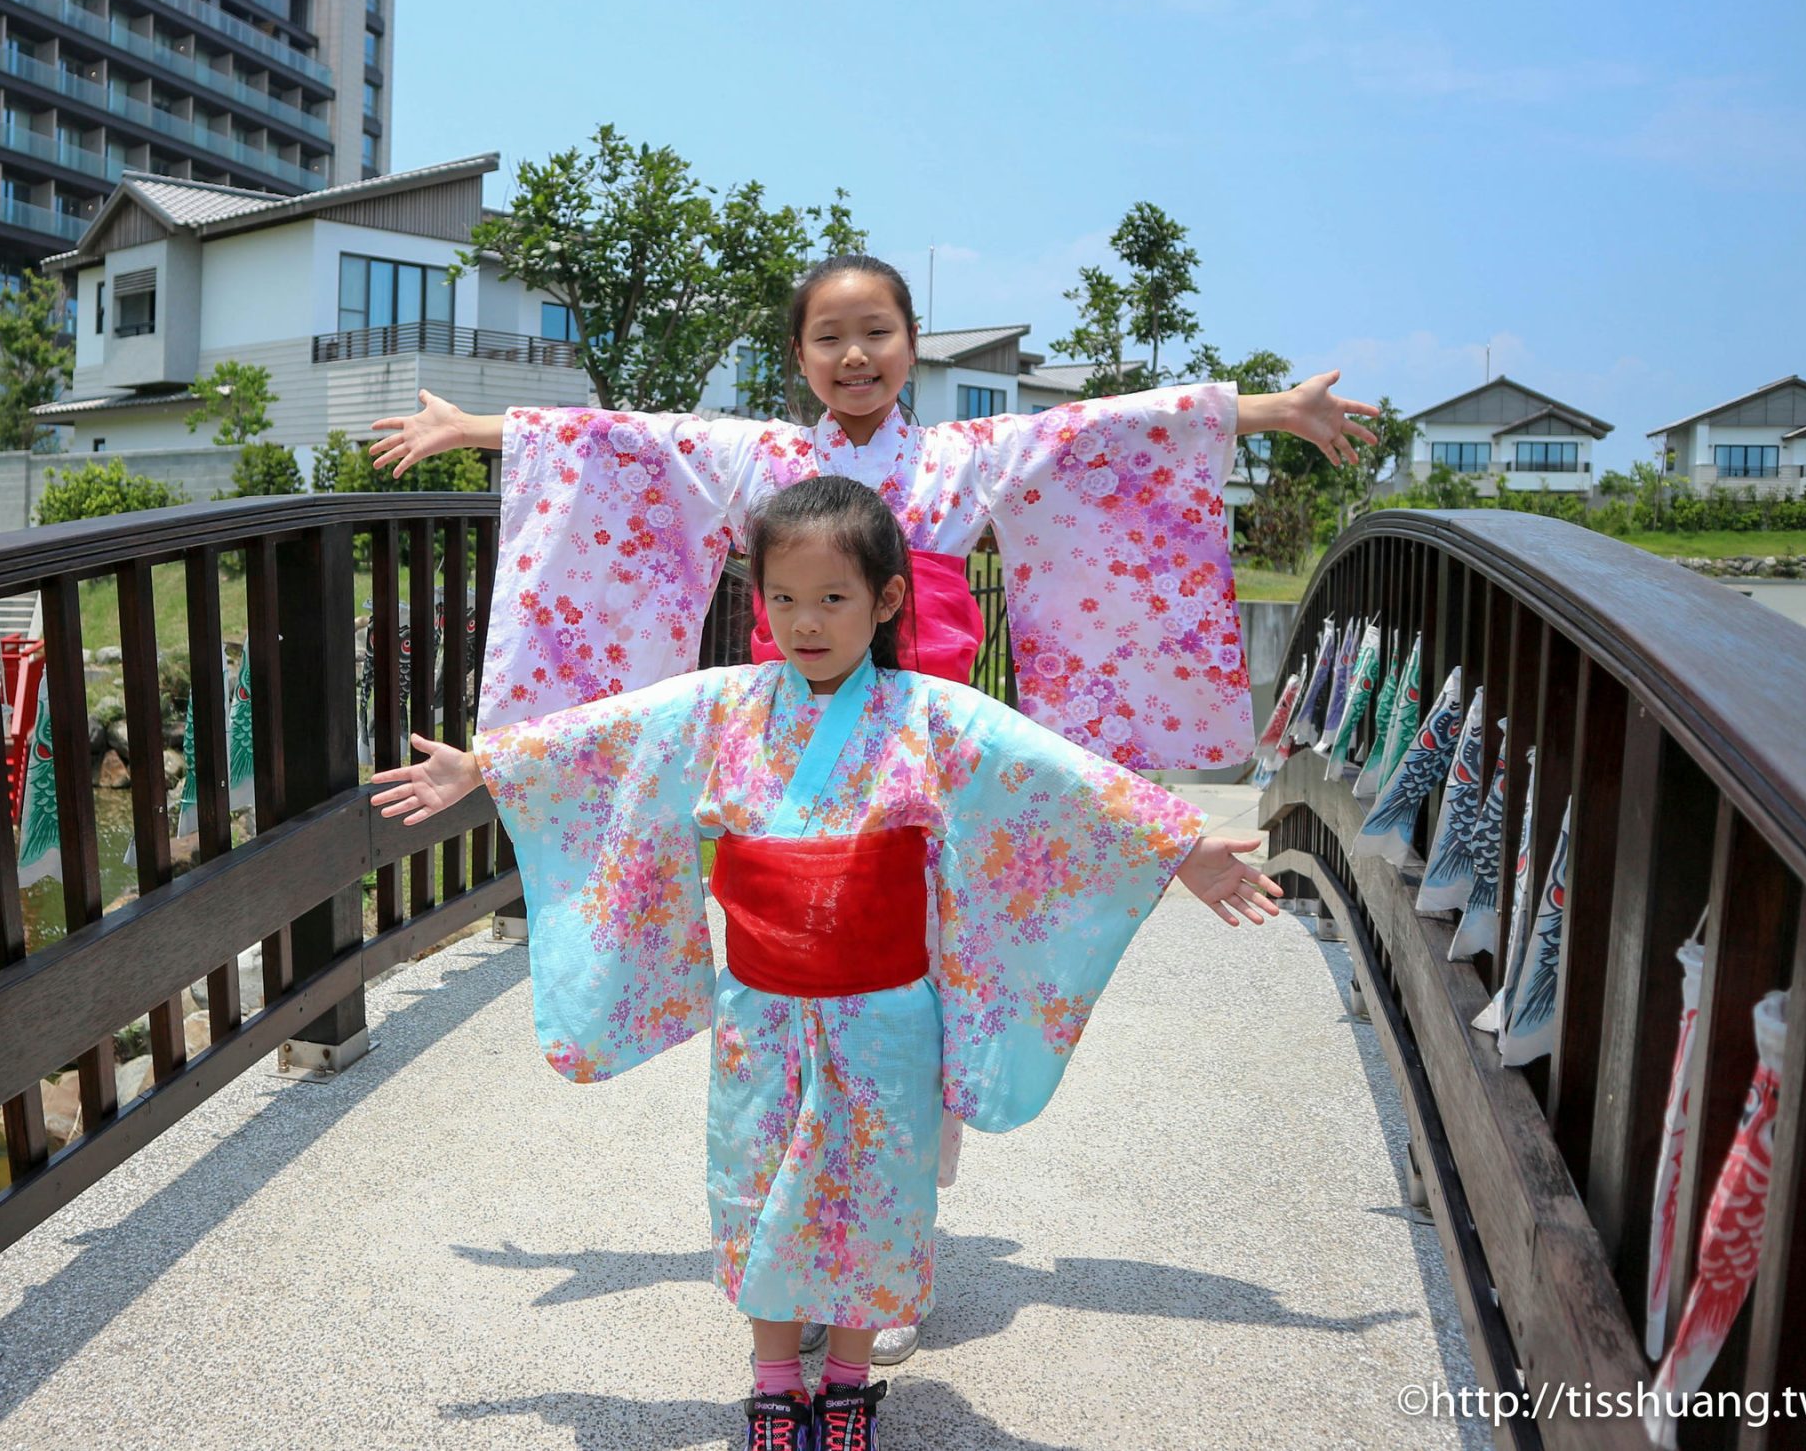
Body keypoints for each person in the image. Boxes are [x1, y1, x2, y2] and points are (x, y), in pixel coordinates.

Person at [372, 251, 1374, 1361]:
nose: (853, 357)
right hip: (789, 747)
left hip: (919, 752)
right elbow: (632, 442)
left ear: (911, 342)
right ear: (796, 355)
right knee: (784, 1006)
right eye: (827, 338)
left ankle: (883, 1257)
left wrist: (1272, 410)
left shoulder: (964, 454)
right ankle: (791, 1245)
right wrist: (475, 433)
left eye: (877, 334)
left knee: (924, 994)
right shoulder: (760, 455)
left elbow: (1097, 432)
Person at [371, 476, 1283, 1449]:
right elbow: (611, 736)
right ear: (758, 600)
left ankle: (846, 1385)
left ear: (887, 600)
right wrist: (485, 766)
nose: (806, 622)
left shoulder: (932, 714)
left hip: (887, 1009)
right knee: (758, 1186)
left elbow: (1053, 776)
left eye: (834, 599)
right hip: (762, 1009)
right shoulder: (723, 707)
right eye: (784, 599)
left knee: (880, 1192)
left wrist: (1180, 846)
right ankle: (774, 1385)